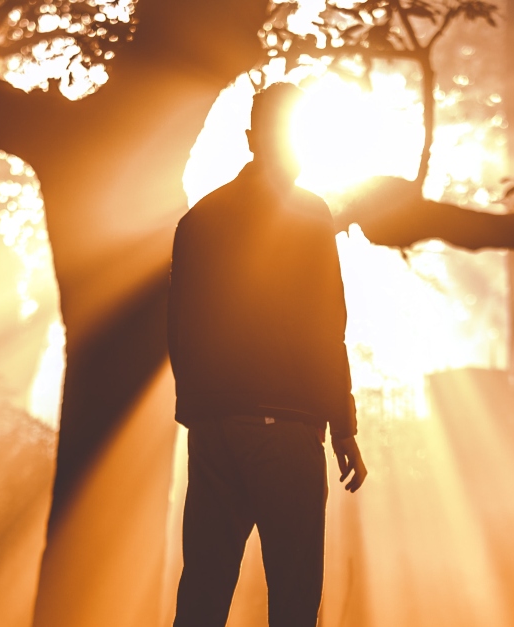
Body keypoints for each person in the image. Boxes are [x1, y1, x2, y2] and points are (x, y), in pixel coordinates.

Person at [167, 82, 368, 627]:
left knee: (203, 594)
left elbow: (178, 328)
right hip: (286, 430)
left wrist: (202, 415)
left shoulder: (198, 221)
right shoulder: (308, 215)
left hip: (214, 431)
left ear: (252, 138)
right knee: (295, 597)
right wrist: (342, 427)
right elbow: (326, 324)